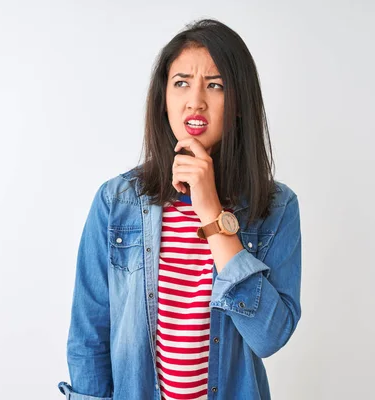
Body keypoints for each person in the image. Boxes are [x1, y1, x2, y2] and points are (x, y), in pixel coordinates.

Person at [58, 18, 302, 400]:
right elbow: (89, 335)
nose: (196, 100)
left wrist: (211, 213)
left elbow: (269, 337)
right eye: (182, 82)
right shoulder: (116, 202)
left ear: (238, 104)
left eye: (216, 85)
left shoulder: (275, 208)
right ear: (164, 99)